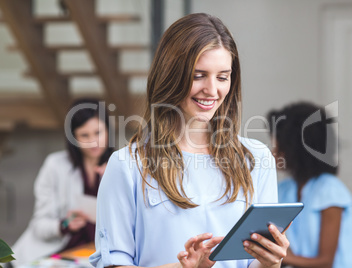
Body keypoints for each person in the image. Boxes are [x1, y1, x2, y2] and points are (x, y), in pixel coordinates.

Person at [90, 13, 288, 268]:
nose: (212, 90)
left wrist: (270, 262)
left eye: (222, 76)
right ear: (171, 75)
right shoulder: (127, 165)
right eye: (198, 75)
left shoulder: (256, 158)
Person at [11, 98, 114, 265]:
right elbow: (40, 225)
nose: (93, 141)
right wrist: (64, 225)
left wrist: (113, 181)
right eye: (84, 135)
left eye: (98, 133)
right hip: (59, 253)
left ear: (108, 130)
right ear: (73, 137)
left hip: (101, 254)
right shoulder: (55, 166)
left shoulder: (120, 166)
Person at [266, 102, 352, 268]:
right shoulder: (284, 189)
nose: (273, 152)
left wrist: (276, 255)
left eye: (278, 145)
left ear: (296, 148)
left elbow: (325, 262)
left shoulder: (330, 190)